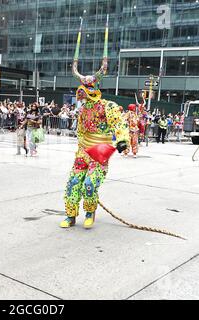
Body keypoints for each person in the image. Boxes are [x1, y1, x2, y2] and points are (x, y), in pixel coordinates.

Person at [60, 21, 129, 230]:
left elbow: (119, 122)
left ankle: (90, 213)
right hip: (83, 151)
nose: (82, 95)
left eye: (86, 90)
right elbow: (81, 130)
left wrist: (123, 140)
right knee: (74, 182)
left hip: (99, 151)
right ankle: (71, 216)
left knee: (90, 184)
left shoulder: (106, 106)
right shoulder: (82, 110)